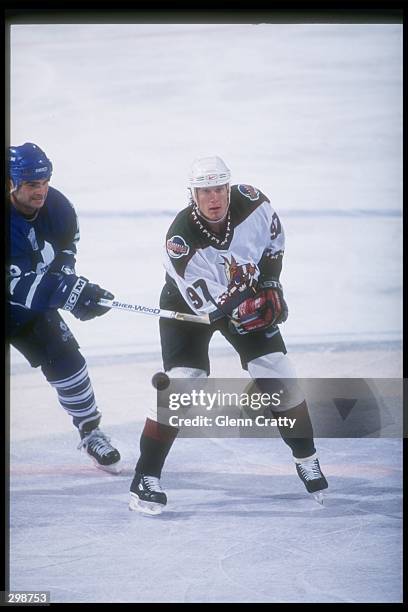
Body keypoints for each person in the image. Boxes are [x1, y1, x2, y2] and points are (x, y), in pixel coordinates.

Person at [129, 155, 328, 514]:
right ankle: (145, 477)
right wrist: (246, 304)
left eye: (219, 188)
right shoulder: (180, 241)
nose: (215, 198)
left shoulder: (254, 202)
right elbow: (208, 307)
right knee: (183, 382)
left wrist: (269, 283)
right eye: (205, 191)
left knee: (277, 371)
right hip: (189, 309)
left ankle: (306, 456)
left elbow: (274, 245)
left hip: (243, 294)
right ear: (193, 194)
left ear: (228, 186)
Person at [7, 142, 121, 473]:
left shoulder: (58, 207)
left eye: (44, 182)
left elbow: (65, 252)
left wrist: (71, 285)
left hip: (27, 305)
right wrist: (65, 293)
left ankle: (91, 431)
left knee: (68, 359)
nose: (40, 190)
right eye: (31, 184)